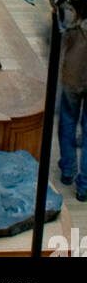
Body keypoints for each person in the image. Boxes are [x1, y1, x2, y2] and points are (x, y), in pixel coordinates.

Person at [58, 15, 87, 201]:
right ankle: (84, 186)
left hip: (73, 73)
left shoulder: (73, 1)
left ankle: (68, 171)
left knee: (68, 119)